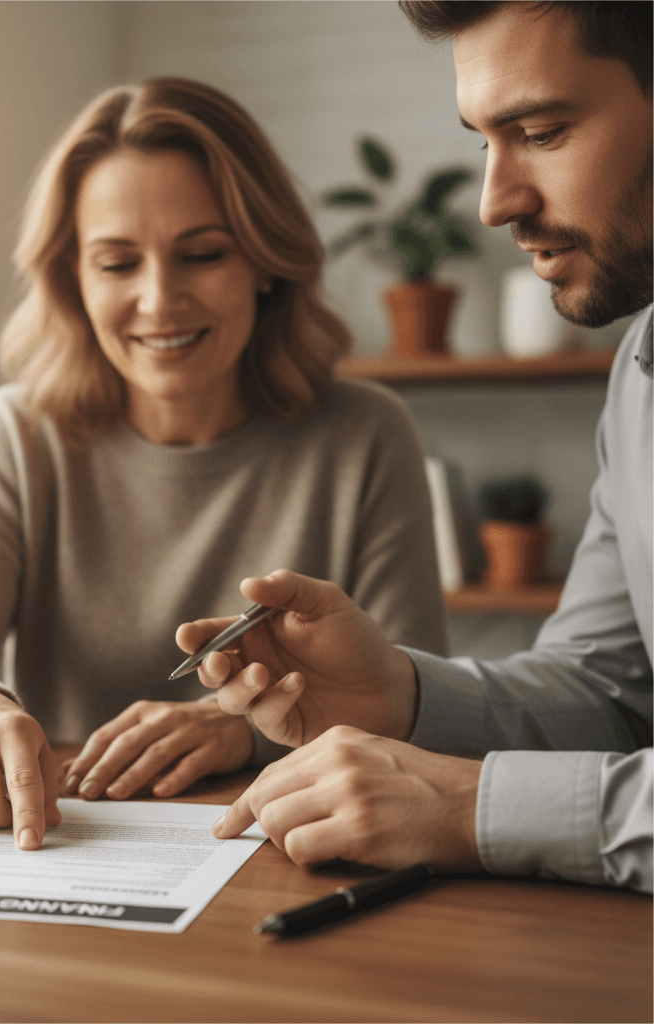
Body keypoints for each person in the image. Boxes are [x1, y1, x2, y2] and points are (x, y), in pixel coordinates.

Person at [0, 78, 448, 851]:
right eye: (117, 263)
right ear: (73, 279)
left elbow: (420, 699)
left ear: (265, 263)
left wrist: (243, 732)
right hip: (60, 848)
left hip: (284, 847)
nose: (160, 300)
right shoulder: (17, 436)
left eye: (201, 254)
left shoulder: (366, 433)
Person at [183, 1, 652, 893]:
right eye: (486, 143)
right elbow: (613, 694)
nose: (493, 203)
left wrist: (473, 805)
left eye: (543, 132)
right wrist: (399, 698)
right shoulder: (640, 367)